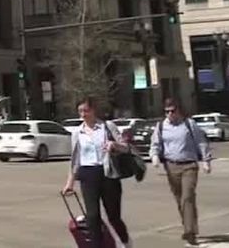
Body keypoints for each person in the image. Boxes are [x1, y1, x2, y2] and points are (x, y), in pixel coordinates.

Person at [62, 97, 132, 248]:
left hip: (108, 173)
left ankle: (125, 241)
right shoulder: (77, 133)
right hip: (88, 174)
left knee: (113, 216)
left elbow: (126, 147)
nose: (83, 114)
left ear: (93, 110)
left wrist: (114, 145)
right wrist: (70, 183)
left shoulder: (107, 127)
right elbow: (75, 160)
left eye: (86, 110)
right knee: (92, 216)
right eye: (80, 111)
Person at [149, 98, 212, 247]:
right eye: (167, 111)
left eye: (173, 110)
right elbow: (155, 144)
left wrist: (206, 161)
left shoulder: (189, 124)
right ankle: (188, 225)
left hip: (189, 165)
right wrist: (155, 156)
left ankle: (190, 233)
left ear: (179, 110)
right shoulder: (161, 126)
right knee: (180, 200)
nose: (170, 114)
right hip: (171, 166)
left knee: (187, 197)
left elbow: (201, 142)